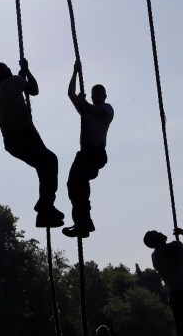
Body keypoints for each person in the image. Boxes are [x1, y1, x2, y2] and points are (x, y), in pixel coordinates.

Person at [0, 58, 64, 228]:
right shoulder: (15, 81)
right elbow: (34, 90)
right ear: (5, 72)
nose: (10, 69)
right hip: (26, 135)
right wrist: (26, 70)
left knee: (44, 166)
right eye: (8, 68)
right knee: (50, 161)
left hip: (11, 142)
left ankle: (46, 209)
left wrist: (20, 76)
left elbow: (13, 93)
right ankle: (45, 207)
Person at [63, 61, 114, 238]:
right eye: (95, 95)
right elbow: (70, 94)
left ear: (104, 96)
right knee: (76, 186)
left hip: (95, 153)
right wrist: (75, 72)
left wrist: (84, 101)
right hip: (86, 153)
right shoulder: (85, 109)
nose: (97, 97)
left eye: (99, 95)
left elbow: (95, 112)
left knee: (77, 185)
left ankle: (83, 223)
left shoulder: (107, 109)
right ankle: (83, 223)